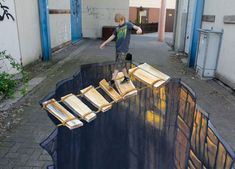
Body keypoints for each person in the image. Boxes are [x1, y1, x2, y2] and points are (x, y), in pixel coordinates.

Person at [100, 13, 142, 86]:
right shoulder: (117, 28)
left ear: (123, 19)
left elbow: (136, 27)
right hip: (118, 49)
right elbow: (112, 36)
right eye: (117, 22)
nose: (118, 23)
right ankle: (127, 78)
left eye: (119, 21)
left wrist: (139, 29)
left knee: (118, 65)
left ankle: (112, 80)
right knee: (122, 65)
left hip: (123, 50)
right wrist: (105, 43)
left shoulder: (128, 25)